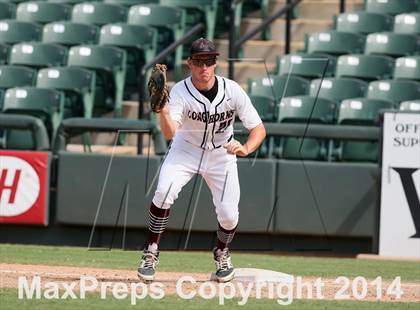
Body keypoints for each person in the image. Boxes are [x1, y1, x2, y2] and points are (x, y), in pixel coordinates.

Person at [138, 38, 266, 283]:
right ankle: (151, 251)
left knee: (229, 216)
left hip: (222, 155)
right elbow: (169, 133)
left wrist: (247, 147)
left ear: (216, 63)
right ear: (189, 63)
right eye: (199, 61)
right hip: (185, 150)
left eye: (209, 61)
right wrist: (163, 111)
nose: (204, 67)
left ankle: (222, 252)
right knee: (164, 192)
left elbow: (258, 128)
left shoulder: (232, 90)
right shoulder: (179, 91)